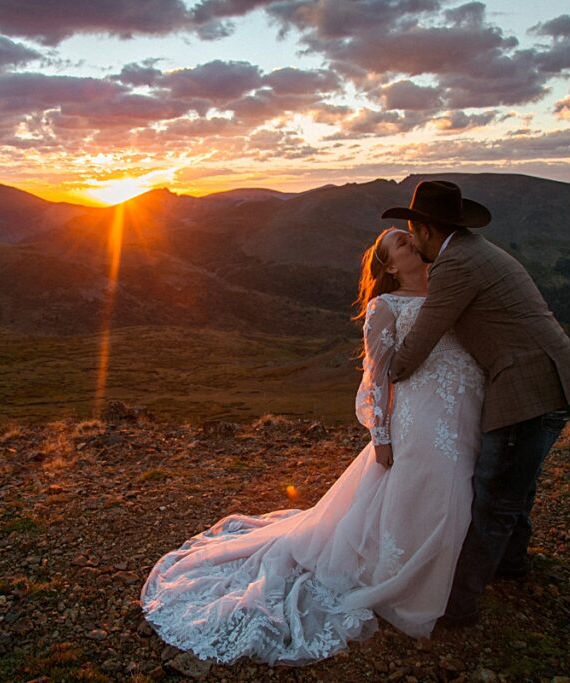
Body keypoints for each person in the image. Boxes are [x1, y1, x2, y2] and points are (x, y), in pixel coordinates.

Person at [140, 226, 486, 665]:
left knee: (460, 488)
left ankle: (450, 573)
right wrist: (380, 435)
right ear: (390, 266)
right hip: (419, 418)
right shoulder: (386, 305)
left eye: (409, 237)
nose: (411, 243)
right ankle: (407, 581)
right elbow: (377, 376)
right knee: (438, 490)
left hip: (463, 409)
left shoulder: (448, 290)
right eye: (399, 243)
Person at [381, 180, 570, 628]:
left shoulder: (455, 263)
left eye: (412, 231)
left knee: (495, 497)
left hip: (527, 387)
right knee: (519, 483)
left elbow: (423, 337)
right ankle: (511, 564)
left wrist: (388, 368)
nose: (413, 242)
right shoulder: (477, 250)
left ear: (427, 230)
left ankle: (458, 606)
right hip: (553, 377)